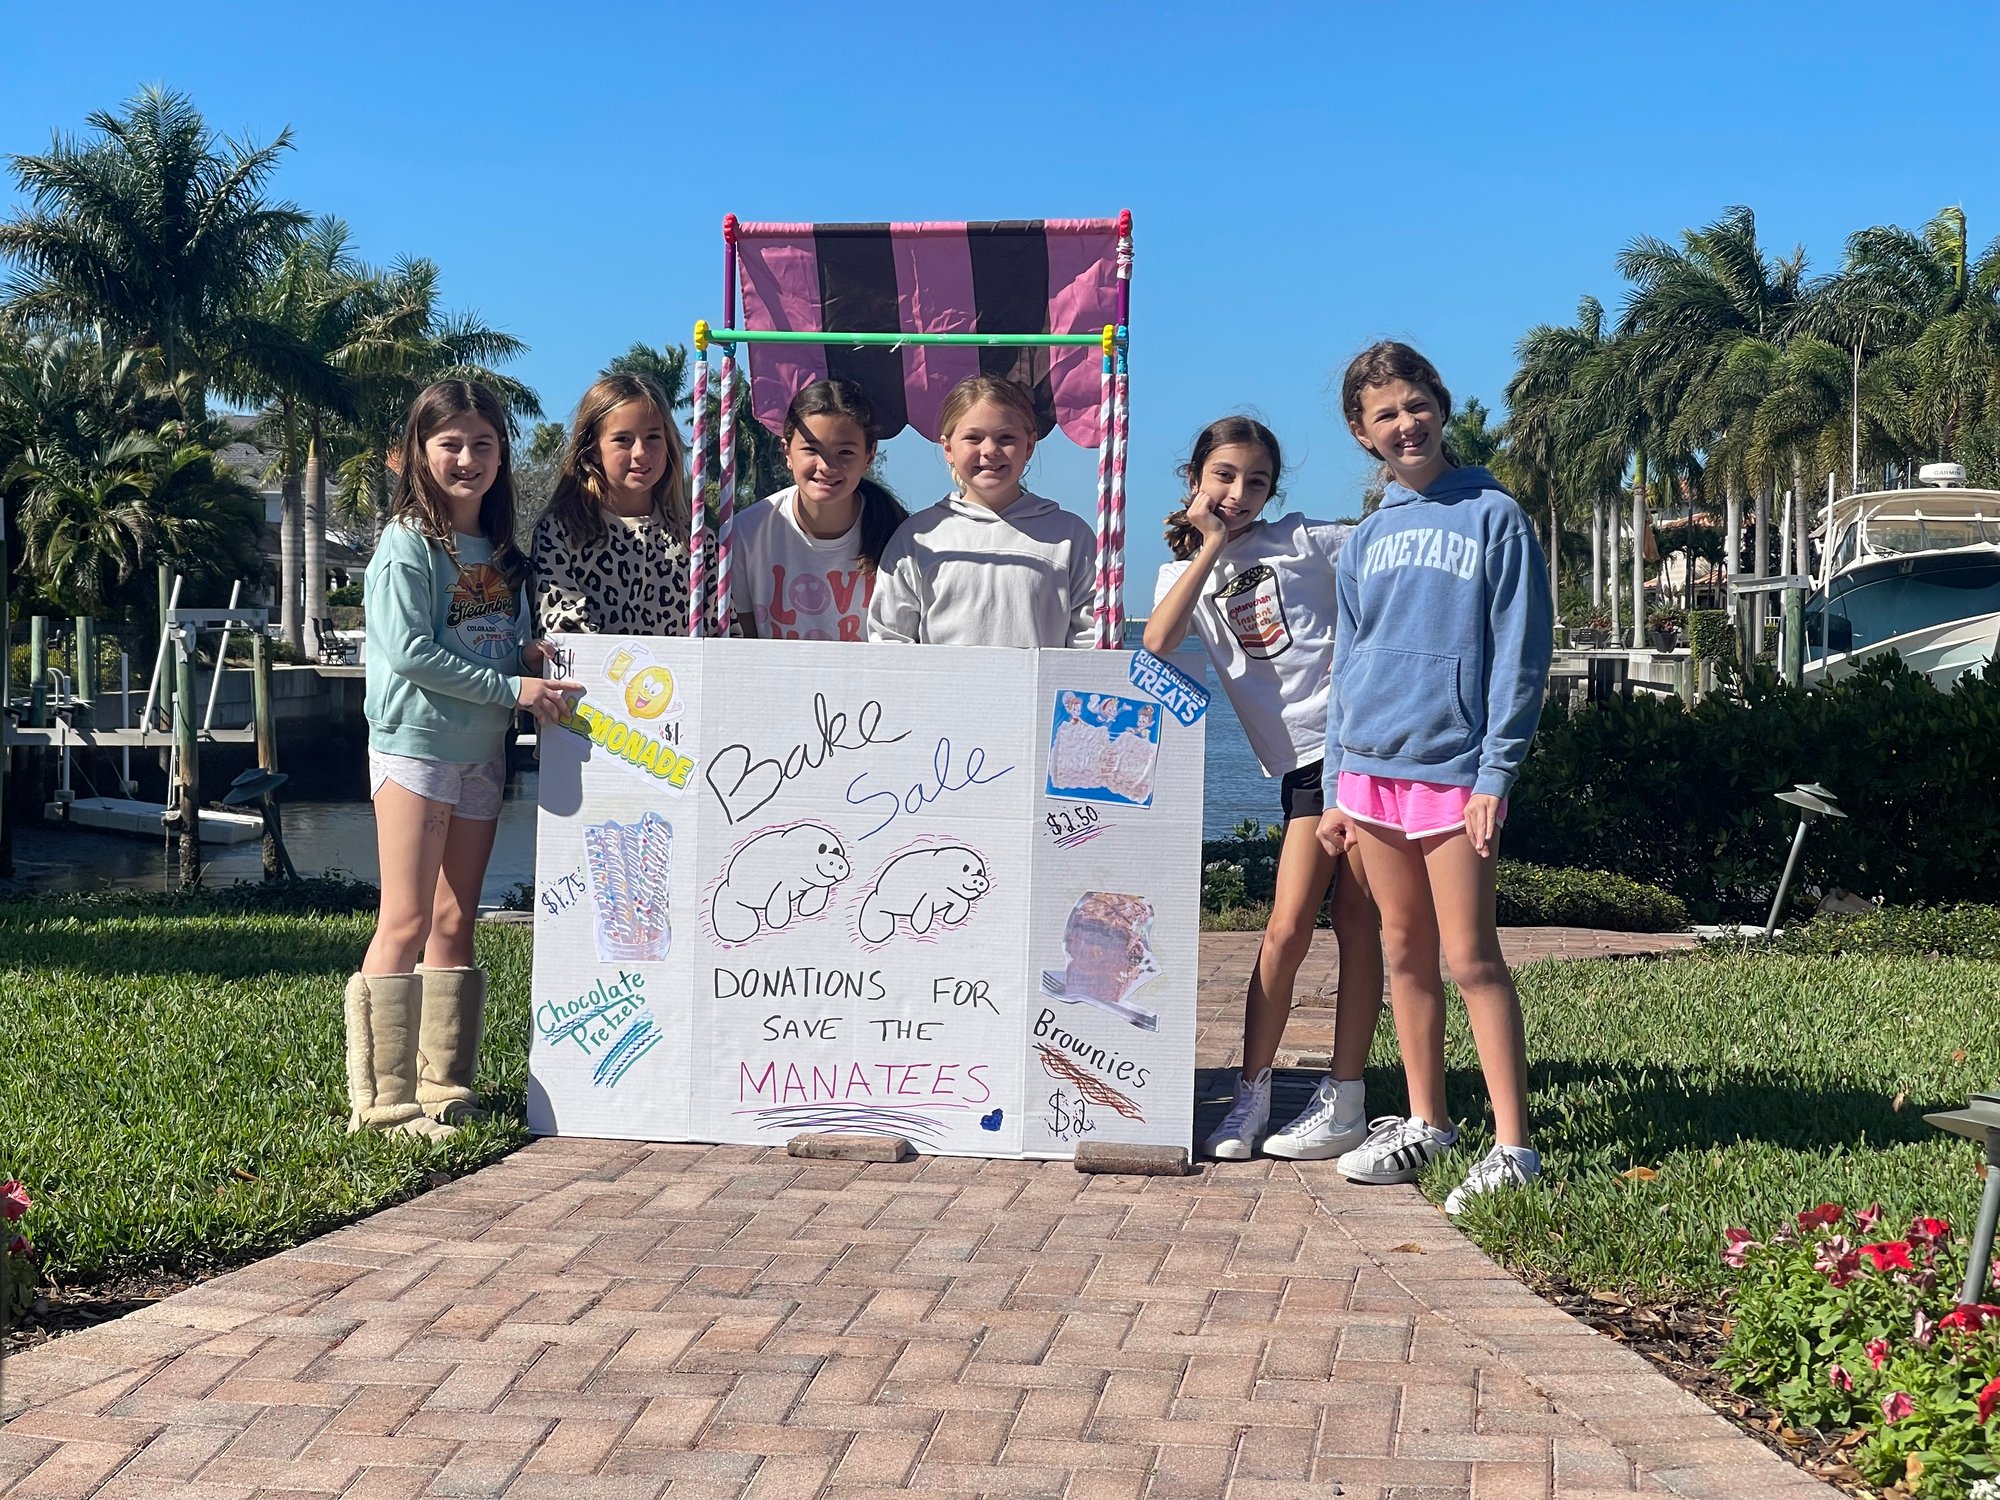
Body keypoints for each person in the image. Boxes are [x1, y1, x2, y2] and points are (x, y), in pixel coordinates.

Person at [1316, 342, 1552, 1213]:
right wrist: (1340, 782)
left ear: (1441, 408)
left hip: (1456, 773)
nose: (1404, 424)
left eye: (1416, 406)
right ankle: (1427, 1122)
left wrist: (1496, 774)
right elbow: (1349, 663)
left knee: (1469, 958)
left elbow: (1521, 657)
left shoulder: (1494, 515)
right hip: (1371, 773)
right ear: (1361, 432)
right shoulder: (1368, 536)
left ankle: (1515, 1146)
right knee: (1403, 952)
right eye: (1385, 414)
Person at [1144, 415, 1383, 1161]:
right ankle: (1252, 1094)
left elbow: (1390, 557)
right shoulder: (1183, 573)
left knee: (1347, 924)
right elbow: (1157, 640)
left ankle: (1343, 1094)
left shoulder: (1306, 541)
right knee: (1289, 930)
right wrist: (1210, 543)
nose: (1239, 493)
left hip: (1357, 748)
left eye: (1256, 482)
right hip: (1300, 769)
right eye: (1224, 477)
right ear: (1195, 478)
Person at [353, 380, 581, 1138]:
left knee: (457, 921)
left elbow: (490, 636)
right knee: (407, 918)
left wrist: (528, 652)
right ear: (420, 452)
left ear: (501, 454)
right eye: (450, 443)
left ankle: (444, 1086)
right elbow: (410, 652)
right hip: (416, 749)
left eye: (483, 444)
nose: (467, 459)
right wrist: (511, 685)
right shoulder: (407, 546)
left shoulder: (501, 552)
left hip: (483, 753)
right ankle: (383, 1105)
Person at [866, 375, 1097, 647]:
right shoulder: (918, 538)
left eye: (1006, 437)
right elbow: (890, 638)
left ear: (1029, 445)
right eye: (973, 438)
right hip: (944, 690)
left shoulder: (1069, 536)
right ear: (948, 448)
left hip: (1038, 690)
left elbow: (1089, 639)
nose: (989, 450)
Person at [732, 379, 908, 640]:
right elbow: (746, 642)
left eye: (845, 452)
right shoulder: (746, 533)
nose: (826, 465)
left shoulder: (900, 535)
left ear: (869, 456)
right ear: (787, 452)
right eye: (811, 450)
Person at [532, 372, 703, 637]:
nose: (641, 453)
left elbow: (720, 633)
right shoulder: (561, 532)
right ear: (591, 450)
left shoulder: (695, 539)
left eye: (653, 438)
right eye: (623, 439)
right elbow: (562, 631)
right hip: (595, 678)